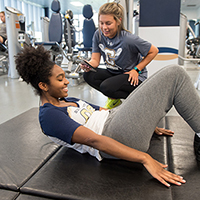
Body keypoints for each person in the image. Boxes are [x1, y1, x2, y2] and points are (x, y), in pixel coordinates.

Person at [15, 45, 200, 188]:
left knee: (157, 82)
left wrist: (146, 117)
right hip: (112, 134)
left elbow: (105, 111)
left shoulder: (66, 100)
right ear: (43, 86)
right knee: (174, 74)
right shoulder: (49, 116)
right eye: (60, 78)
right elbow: (95, 140)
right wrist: (145, 158)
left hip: (115, 120)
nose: (67, 81)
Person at [80, 2, 158, 109]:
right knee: (88, 75)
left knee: (106, 87)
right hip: (114, 73)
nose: (104, 27)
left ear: (118, 21)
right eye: (101, 23)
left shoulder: (129, 39)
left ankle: (141, 98)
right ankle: (115, 100)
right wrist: (88, 65)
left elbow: (154, 51)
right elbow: (95, 60)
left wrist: (136, 70)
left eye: (108, 23)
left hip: (132, 77)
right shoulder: (97, 35)